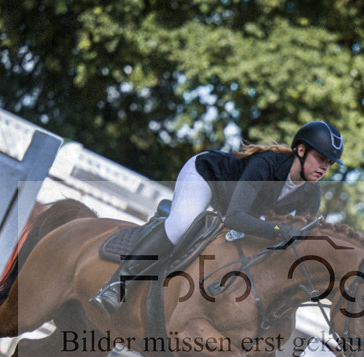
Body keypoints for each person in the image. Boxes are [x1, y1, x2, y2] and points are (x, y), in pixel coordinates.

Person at [89, 121, 346, 315]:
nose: (325, 167)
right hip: (206, 175)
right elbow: (234, 217)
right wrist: (278, 229)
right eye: (320, 158)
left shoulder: (311, 193)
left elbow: (298, 239)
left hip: (239, 207)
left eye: (330, 163)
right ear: (300, 150)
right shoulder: (266, 165)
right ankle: (117, 285)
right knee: (180, 227)